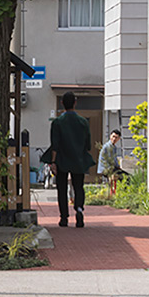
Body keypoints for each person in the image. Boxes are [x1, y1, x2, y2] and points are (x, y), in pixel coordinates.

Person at [49, 91, 95, 228]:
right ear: (75, 103)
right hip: (78, 159)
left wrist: (53, 162)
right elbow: (88, 144)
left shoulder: (57, 122)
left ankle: (64, 217)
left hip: (62, 159)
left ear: (62, 103)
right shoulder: (83, 122)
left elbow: (55, 144)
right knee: (79, 186)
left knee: (61, 189)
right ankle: (79, 209)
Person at [98, 128, 125, 197]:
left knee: (125, 175)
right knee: (123, 177)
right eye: (113, 136)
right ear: (110, 136)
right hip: (106, 168)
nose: (114, 139)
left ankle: (119, 193)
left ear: (119, 139)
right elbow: (109, 160)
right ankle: (116, 194)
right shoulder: (107, 146)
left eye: (116, 137)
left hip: (111, 167)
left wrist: (118, 166)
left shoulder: (114, 147)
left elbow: (114, 159)